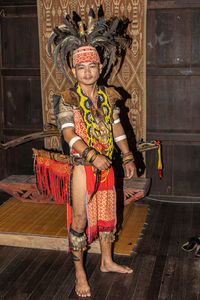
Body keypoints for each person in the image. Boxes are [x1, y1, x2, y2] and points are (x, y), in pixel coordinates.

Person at [47, 7, 135, 297]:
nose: (87, 72)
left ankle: (107, 261)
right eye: (81, 67)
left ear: (100, 68)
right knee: (82, 220)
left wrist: (128, 156)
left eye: (92, 66)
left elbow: (118, 129)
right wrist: (91, 156)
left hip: (107, 164)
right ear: (74, 70)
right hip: (83, 168)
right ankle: (79, 272)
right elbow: (69, 134)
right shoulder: (68, 99)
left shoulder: (108, 96)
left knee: (108, 214)